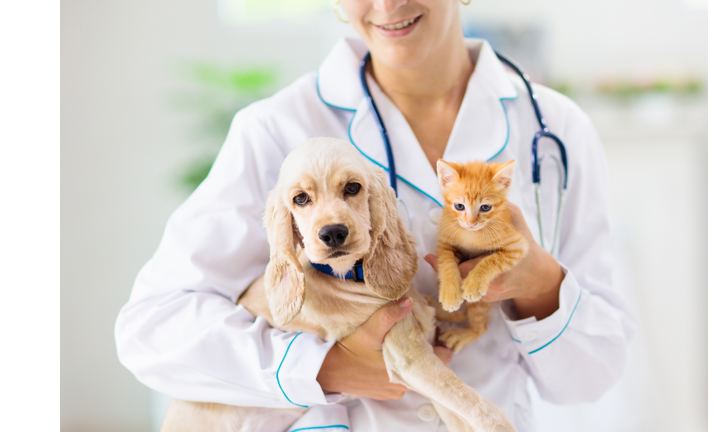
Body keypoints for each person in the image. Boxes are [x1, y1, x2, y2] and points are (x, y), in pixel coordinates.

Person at [115, 1, 635, 431]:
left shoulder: (556, 129)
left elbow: (589, 378)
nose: (387, 5)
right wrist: (323, 366)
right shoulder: (274, 129)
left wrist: (540, 281)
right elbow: (151, 331)